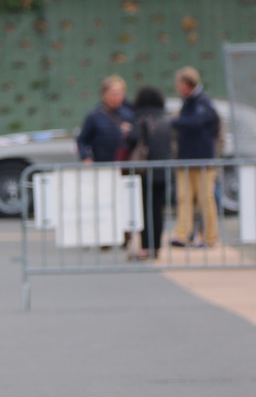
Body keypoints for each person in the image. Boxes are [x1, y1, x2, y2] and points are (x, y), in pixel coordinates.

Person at [168, 67, 220, 248]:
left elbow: (198, 123)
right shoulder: (187, 103)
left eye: (179, 83)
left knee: (205, 199)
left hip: (202, 160)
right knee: (183, 198)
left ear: (188, 84)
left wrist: (174, 121)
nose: (177, 87)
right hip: (185, 159)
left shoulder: (203, 103)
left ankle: (210, 237)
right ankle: (183, 234)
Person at [129, 86, 173, 260]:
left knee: (145, 210)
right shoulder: (166, 119)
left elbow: (133, 138)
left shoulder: (141, 118)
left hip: (145, 171)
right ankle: (156, 247)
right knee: (158, 210)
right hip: (164, 170)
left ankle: (146, 246)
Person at [76, 75, 134, 164]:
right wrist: (85, 157)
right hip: (102, 165)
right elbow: (82, 140)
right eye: (114, 94)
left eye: (120, 94)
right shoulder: (94, 116)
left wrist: (131, 132)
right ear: (104, 94)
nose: (117, 97)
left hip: (124, 166)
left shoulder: (128, 115)